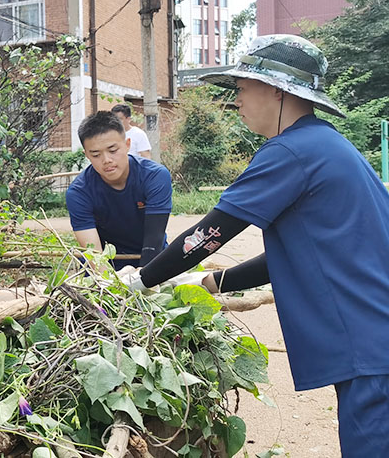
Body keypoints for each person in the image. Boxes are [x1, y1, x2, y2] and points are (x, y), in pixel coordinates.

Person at [118, 35, 389, 456]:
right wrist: (214, 281)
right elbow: (298, 254)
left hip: (368, 345)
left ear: (277, 89)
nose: (236, 101)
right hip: (376, 339)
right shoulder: (324, 143)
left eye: (243, 88)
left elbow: (212, 232)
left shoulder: (291, 151)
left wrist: (142, 280)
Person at [66, 111, 172, 269]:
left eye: (113, 150)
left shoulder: (155, 176)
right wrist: (109, 284)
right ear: (86, 155)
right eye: (96, 154)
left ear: (127, 144)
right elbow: (94, 255)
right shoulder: (79, 193)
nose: (107, 160)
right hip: (108, 262)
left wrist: (142, 281)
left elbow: (153, 243)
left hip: (153, 257)